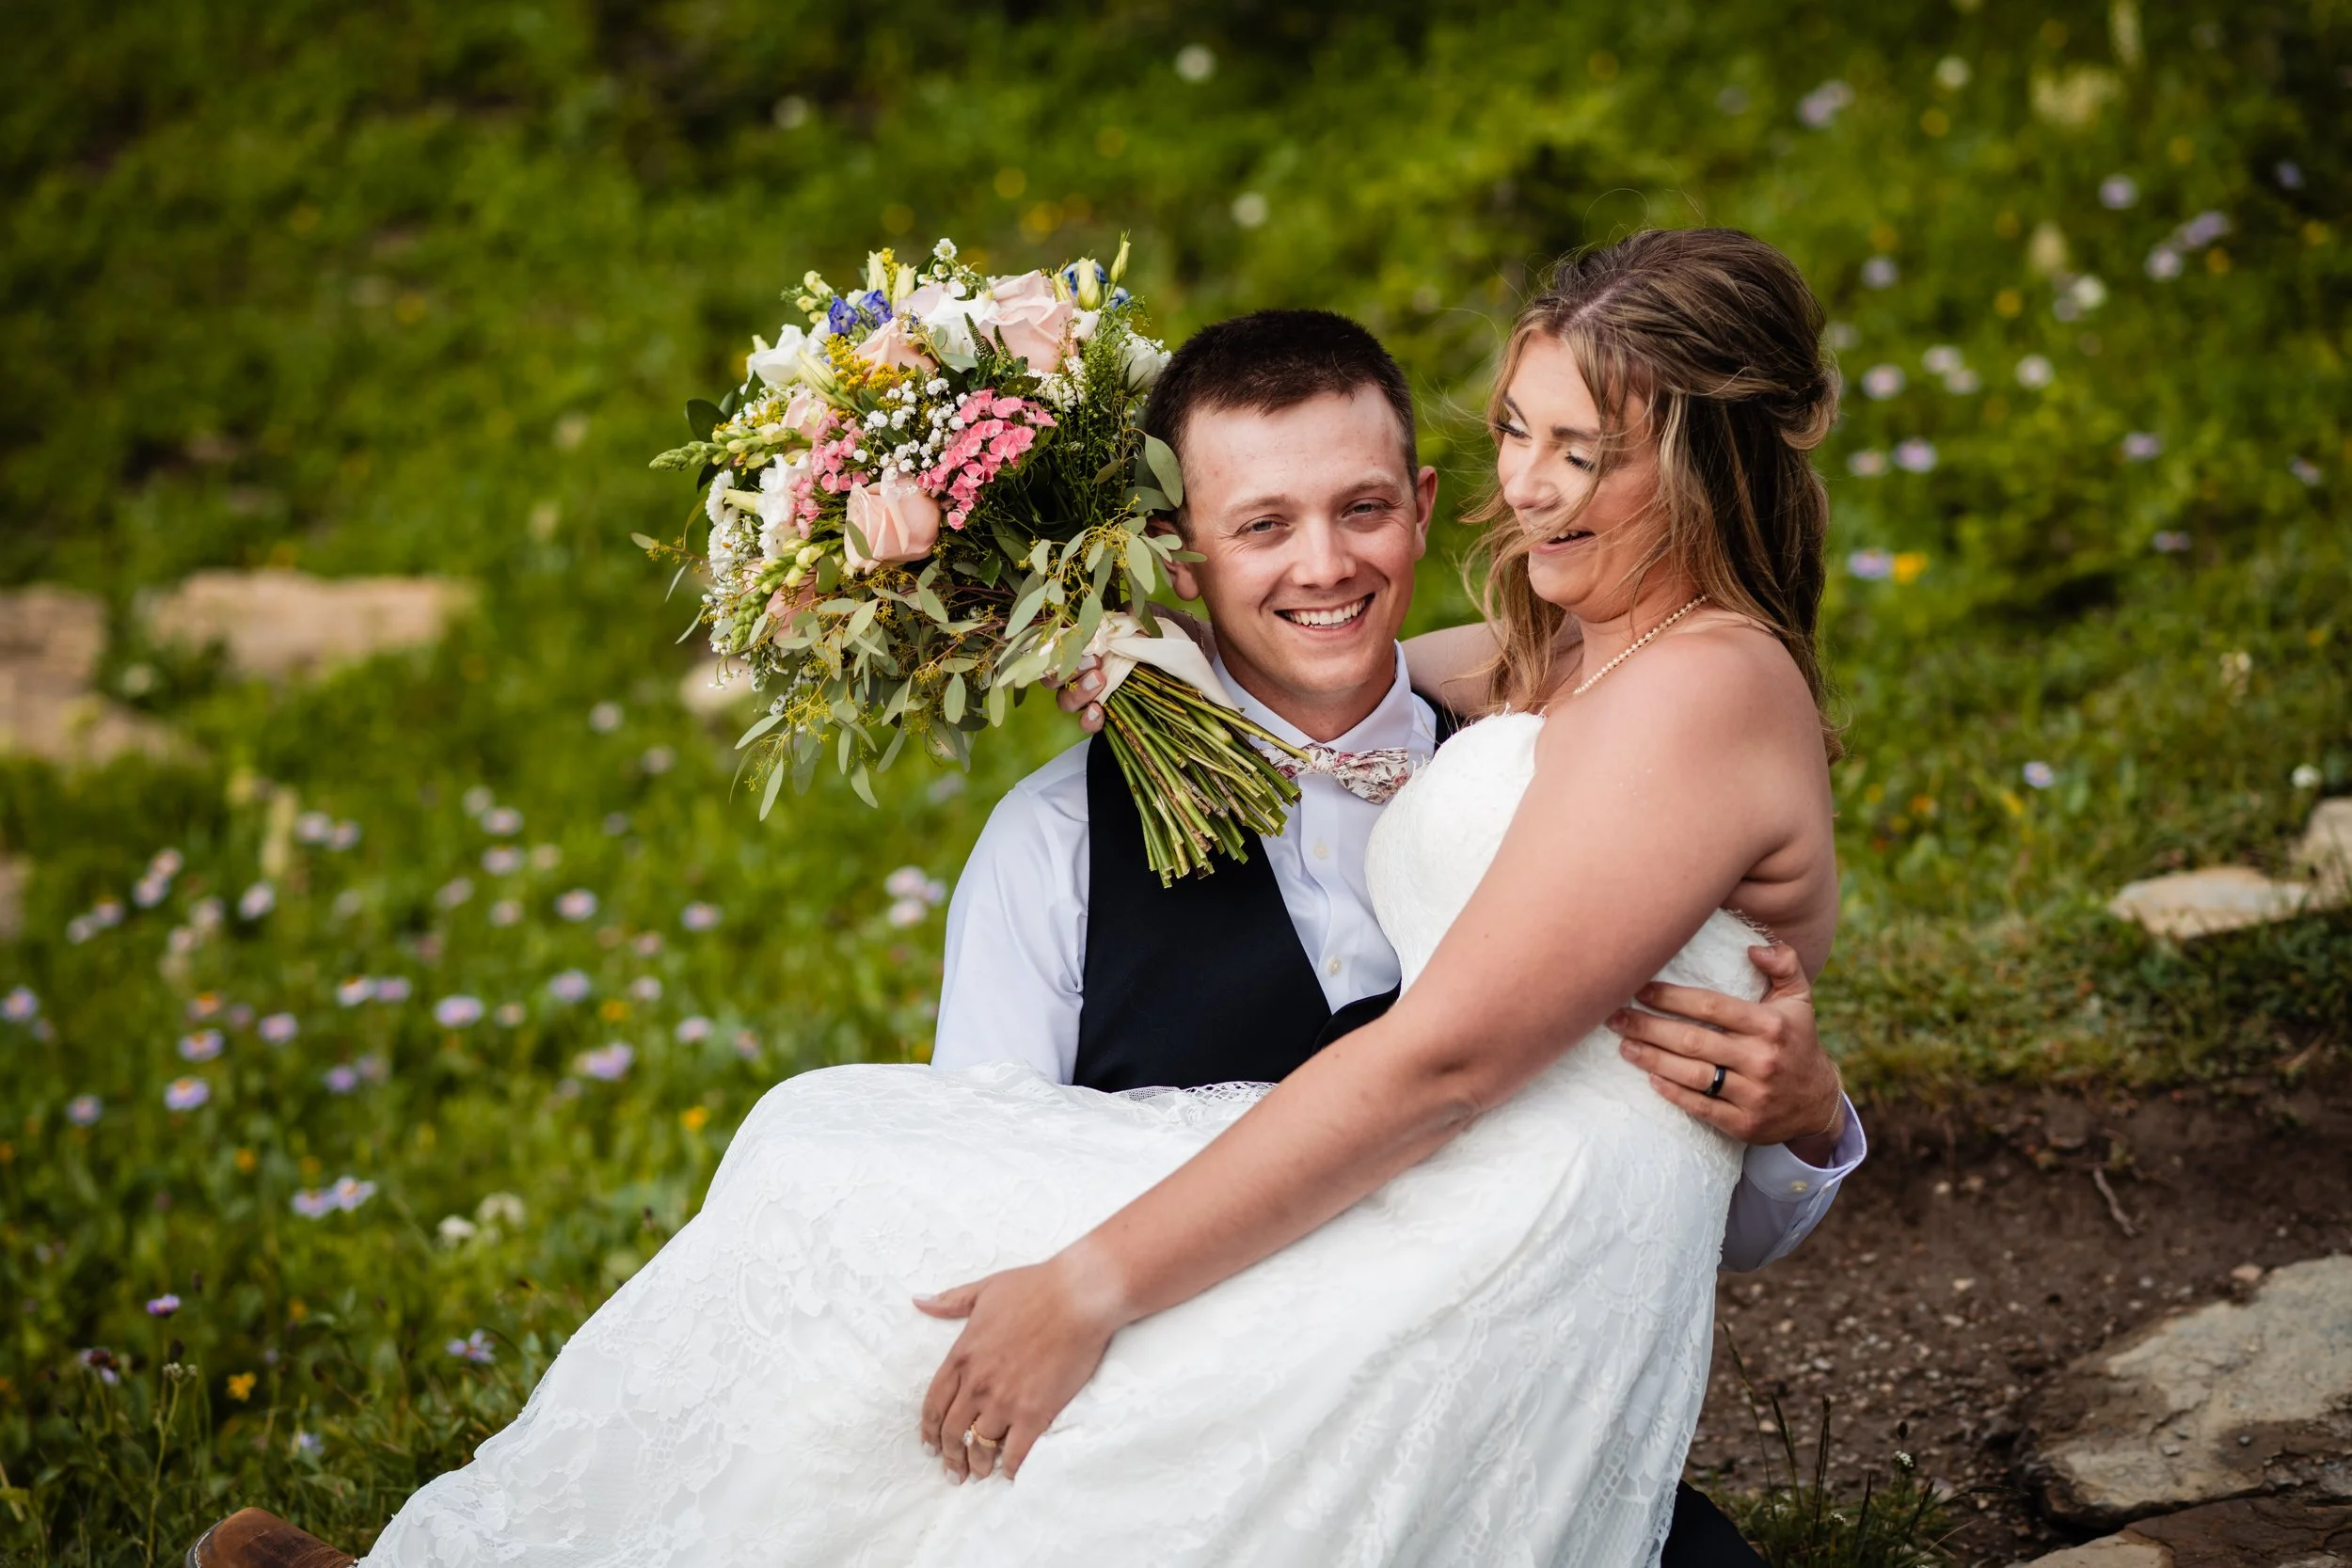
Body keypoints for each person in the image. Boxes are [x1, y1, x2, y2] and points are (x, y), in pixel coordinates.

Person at [208, 225, 1845, 1568]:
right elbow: (1394, 676)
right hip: (1440, 1189)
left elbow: (1453, 1061)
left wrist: (1092, 1285)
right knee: (837, 1169)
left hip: (1487, 1234)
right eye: (1516, 431)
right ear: (1184, 550)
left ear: (1697, 462)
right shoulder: (1577, 653)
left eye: (1583, 453)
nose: (1529, 488)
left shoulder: (1689, 687)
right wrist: (1152, 650)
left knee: (885, 1233)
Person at [930, 306, 1864, 1562]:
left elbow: (1680, 1205)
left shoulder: (1565, 745)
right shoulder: (1053, 850)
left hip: (1509, 1431)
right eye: (1262, 526)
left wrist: (1805, 1125)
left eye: (1362, 508)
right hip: (1182, 1436)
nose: (1324, 566)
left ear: (1421, 507)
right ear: (1176, 550)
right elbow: (984, 1224)